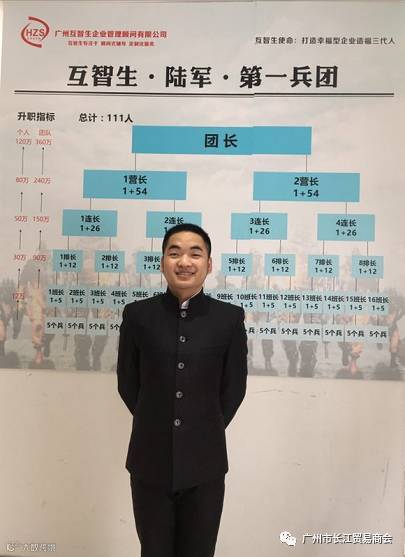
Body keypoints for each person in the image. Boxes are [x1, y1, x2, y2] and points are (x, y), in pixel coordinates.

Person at [117, 223, 248, 557]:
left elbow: (233, 389)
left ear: (209, 264)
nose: (184, 262)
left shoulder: (228, 319)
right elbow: (128, 384)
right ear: (162, 262)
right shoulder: (138, 315)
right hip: (149, 460)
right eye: (174, 253)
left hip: (205, 464)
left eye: (195, 253)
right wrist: (159, 422)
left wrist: (199, 428)